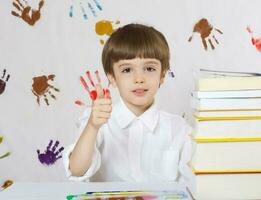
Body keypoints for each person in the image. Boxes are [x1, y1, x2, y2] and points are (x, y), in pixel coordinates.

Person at [63, 23, 194, 186]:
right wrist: (92, 126)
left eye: (149, 68)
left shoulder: (179, 128)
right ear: (112, 77)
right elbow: (77, 170)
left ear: (162, 75)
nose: (139, 78)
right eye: (127, 70)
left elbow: (190, 185)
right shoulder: (97, 121)